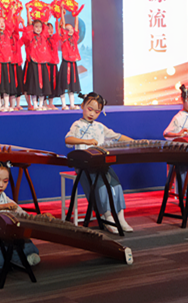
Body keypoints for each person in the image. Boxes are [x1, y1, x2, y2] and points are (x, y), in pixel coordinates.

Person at [65, 92, 134, 233]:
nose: (92, 114)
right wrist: (86, 141)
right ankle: (107, 215)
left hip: (100, 163)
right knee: (101, 186)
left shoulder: (100, 126)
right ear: (82, 106)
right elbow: (68, 139)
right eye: (90, 109)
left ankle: (120, 216)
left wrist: (135, 142)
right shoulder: (77, 125)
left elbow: (117, 136)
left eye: (97, 112)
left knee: (116, 184)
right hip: (85, 164)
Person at [0, 4, 16, 112]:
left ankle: (6, 105)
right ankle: (0, 105)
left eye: (3, 22)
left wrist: (11, 11)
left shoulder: (7, 33)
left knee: (6, 83)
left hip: (6, 61)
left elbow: (10, 22)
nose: (2, 24)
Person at [57, 13, 82, 110]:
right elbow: (62, 25)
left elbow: (76, 25)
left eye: (71, 28)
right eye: (68, 29)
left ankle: (72, 104)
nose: (70, 30)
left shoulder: (74, 38)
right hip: (65, 63)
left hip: (73, 63)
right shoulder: (64, 38)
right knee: (64, 84)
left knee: (72, 84)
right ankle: (64, 105)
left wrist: (76, 15)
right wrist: (62, 13)